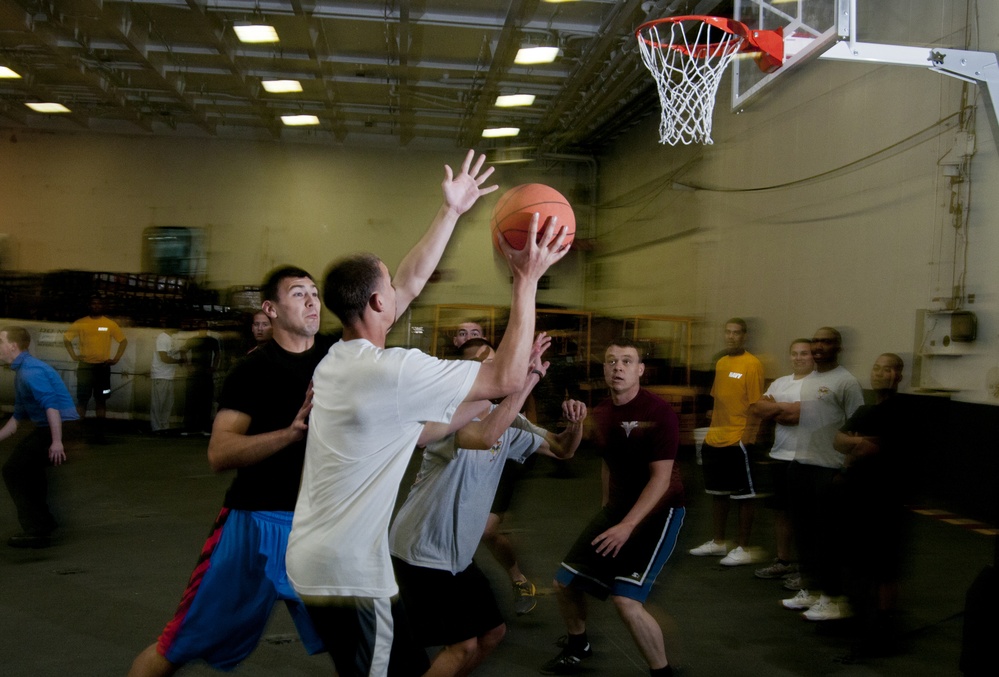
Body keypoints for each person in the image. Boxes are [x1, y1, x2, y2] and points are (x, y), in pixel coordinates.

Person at [285, 149, 569, 677]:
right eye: (388, 286)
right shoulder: (392, 371)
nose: (402, 289)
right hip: (350, 574)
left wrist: (451, 211)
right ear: (377, 304)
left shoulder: (337, 360)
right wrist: (526, 280)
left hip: (321, 561)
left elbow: (412, 282)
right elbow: (504, 379)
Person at [127, 266, 337, 677]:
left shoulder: (336, 354)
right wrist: (290, 434)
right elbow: (220, 452)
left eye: (314, 292)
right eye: (299, 293)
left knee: (363, 643)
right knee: (176, 646)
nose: (312, 301)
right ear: (270, 309)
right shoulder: (253, 371)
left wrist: (446, 225)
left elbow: (395, 294)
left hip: (319, 526)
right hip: (255, 525)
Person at [390, 333, 587, 677]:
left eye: (496, 360)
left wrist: (576, 423)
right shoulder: (446, 414)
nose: (496, 368)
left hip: (457, 557)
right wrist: (529, 378)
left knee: (492, 633)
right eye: (485, 364)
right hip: (421, 552)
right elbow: (485, 436)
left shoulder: (505, 417)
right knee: (462, 646)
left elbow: (562, 449)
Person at [542, 338, 685, 677]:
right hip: (619, 510)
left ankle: (662, 672)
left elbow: (661, 479)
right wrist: (607, 509)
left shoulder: (658, 412)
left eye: (626, 361)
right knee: (565, 583)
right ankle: (578, 645)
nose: (617, 367)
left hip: (659, 512)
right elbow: (607, 462)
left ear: (640, 370)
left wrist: (627, 526)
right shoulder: (603, 412)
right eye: (611, 361)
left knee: (626, 601)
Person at [780, 327, 864, 622]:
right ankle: (813, 590)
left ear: (838, 347)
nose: (818, 346)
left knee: (828, 539)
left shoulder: (846, 381)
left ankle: (833, 598)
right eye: (815, 340)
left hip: (829, 469)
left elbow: (857, 429)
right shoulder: (810, 379)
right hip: (801, 465)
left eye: (826, 341)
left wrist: (846, 469)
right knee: (805, 536)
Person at [834, 353, 910, 654]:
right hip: (859, 496)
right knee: (858, 558)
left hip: (887, 498)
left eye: (887, 369)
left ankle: (884, 622)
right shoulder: (866, 410)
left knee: (885, 564)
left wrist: (858, 444)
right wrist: (858, 443)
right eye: (876, 368)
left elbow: (880, 448)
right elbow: (839, 441)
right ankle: (859, 615)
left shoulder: (903, 412)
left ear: (898, 375)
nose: (880, 373)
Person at [462, 336, 541, 615]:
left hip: (502, 462)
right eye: (478, 361)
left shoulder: (508, 383)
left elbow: (529, 420)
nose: (486, 364)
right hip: (469, 463)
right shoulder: (460, 389)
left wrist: (529, 444)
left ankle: (518, 579)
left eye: (490, 358)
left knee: (486, 530)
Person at [688, 318, 764, 566]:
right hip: (716, 438)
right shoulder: (721, 363)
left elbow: (756, 405)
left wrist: (747, 437)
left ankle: (743, 547)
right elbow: (718, 399)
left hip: (738, 439)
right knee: (718, 493)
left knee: (743, 496)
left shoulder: (752, 364)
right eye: (728, 332)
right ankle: (719, 542)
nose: (731, 336)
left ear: (744, 336)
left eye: (736, 332)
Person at [0, 326, 79, 548]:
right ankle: (44, 522)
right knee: (29, 470)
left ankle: (37, 529)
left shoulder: (30, 371)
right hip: (54, 427)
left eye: (0, 341)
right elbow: (17, 419)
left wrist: (57, 442)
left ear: (12, 346)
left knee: (14, 470)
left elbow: (51, 405)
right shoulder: (23, 370)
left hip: (61, 427)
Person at [748, 338, 814, 580]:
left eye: (804, 353)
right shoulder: (780, 382)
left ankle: (808, 569)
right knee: (781, 512)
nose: (798, 358)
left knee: (806, 516)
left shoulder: (818, 384)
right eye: (794, 353)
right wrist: (785, 410)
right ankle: (783, 560)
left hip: (808, 459)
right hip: (780, 455)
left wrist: (777, 409)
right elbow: (758, 409)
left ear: (813, 356)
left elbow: (796, 416)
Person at [63, 295, 128, 439]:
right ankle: (77, 433)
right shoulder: (81, 323)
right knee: (82, 400)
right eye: (94, 303)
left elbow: (123, 341)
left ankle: (100, 433)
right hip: (85, 368)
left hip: (102, 368)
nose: (96, 306)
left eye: (99, 303)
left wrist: (116, 359)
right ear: (90, 305)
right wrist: (74, 356)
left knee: (101, 400)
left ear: (103, 306)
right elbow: (66, 339)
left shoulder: (110, 324)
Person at [181, 320, 221, 436]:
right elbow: (183, 351)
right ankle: (193, 427)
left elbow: (218, 354)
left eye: (204, 328)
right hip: (197, 374)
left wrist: (213, 367)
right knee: (194, 401)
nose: (203, 330)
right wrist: (188, 366)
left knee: (205, 401)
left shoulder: (211, 340)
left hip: (204, 373)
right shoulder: (195, 340)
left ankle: (202, 427)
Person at [150, 328, 183, 435]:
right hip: (161, 375)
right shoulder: (162, 338)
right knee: (159, 403)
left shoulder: (170, 338)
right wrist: (179, 361)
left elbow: (169, 354)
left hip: (168, 375)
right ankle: (156, 427)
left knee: (167, 403)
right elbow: (164, 358)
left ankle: (164, 426)